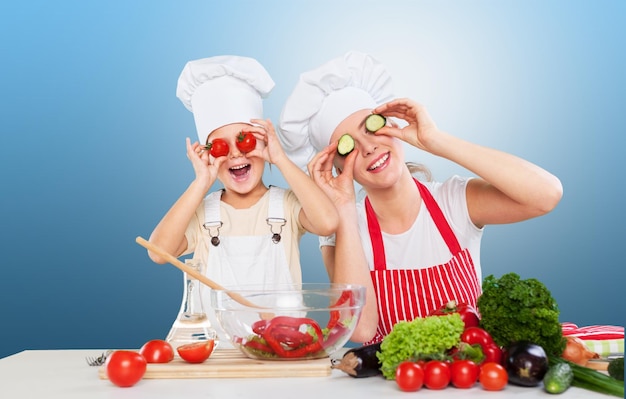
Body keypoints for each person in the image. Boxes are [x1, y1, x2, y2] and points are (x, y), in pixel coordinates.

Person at [278, 51, 563, 344]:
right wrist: (343, 208)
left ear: (391, 125)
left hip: (466, 384)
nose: (367, 148)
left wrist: (435, 141)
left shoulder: (454, 201)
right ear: (336, 167)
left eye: (371, 127)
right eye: (347, 148)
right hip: (390, 388)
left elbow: (546, 195)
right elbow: (360, 330)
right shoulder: (341, 231)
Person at [147, 55, 339, 344]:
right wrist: (200, 183)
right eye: (222, 146)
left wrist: (281, 159)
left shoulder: (285, 205)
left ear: (263, 142)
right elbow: (158, 252)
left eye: (245, 140)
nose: (236, 154)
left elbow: (328, 222)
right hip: (215, 354)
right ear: (208, 155)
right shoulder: (202, 214)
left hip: (282, 349)